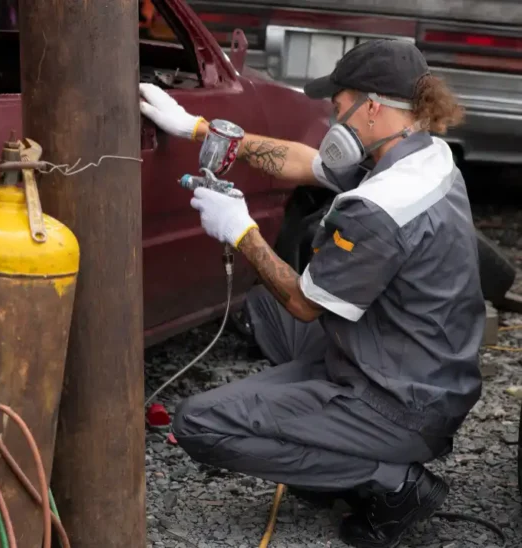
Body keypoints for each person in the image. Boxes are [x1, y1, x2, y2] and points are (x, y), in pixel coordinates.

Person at [139, 39, 484, 548]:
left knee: (199, 424)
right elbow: (303, 162)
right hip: (418, 362)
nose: (331, 117)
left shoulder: (380, 206)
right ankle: (335, 447)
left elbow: (303, 304)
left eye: (337, 105)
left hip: (402, 402)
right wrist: (197, 128)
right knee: (260, 307)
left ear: (371, 106)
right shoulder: (420, 149)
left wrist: (241, 232)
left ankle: (394, 482)